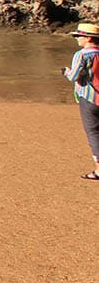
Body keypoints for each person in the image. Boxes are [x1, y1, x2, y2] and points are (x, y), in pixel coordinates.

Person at [63, 22, 99, 180]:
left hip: (89, 97)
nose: (77, 39)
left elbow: (74, 77)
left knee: (93, 132)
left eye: (79, 36)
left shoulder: (82, 54)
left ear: (89, 38)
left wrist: (65, 72)